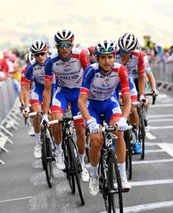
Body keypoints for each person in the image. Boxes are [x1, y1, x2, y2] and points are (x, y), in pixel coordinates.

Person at [78, 39, 131, 196]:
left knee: (119, 132)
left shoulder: (120, 70)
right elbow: (81, 101)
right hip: (92, 105)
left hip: (109, 103)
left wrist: (124, 119)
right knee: (96, 140)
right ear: (98, 58)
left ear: (114, 57)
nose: (107, 61)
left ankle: (121, 176)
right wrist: (90, 121)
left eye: (110, 57)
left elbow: (127, 100)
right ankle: (94, 175)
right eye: (103, 58)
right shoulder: (90, 71)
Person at [42, 29, 90, 182]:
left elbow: (90, 77)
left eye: (67, 45)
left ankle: (82, 164)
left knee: (81, 131)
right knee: (56, 119)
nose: (64, 48)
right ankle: (58, 151)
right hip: (62, 92)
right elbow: (48, 88)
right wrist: (44, 114)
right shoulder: (50, 61)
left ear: (72, 44)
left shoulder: (81, 55)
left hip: (78, 92)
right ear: (56, 46)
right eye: (61, 45)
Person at [115, 33, 146, 154]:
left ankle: (135, 136)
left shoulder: (139, 56)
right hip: (114, 82)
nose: (123, 56)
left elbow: (142, 76)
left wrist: (142, 95)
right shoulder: (113, 54)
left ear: (133, 51)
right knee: (116, 108)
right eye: (122, 52)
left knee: (133, 108)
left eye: (127, 53)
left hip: (128, 82)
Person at [23, 40, 52, 158]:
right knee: (36, 114)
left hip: (53, 88)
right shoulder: (30, 67)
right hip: (39, 89)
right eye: (36, 54)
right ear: (33, 55)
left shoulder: (53, 61)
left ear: (47, 52)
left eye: (42, 53)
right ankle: (38, 144)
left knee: (54, 117)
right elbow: (26, 89)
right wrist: (26, 106)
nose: (40, 56)